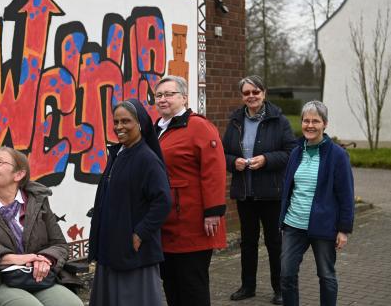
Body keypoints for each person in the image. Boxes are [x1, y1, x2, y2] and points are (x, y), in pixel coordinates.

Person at [0, 146, 83, 306]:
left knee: (73, 304)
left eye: (0, 163)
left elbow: (59, 244)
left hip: (36, 276)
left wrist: (45, 259)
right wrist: (9, 258)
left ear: (19, 174)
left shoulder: (38, 201)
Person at [88, 99, 171, 306]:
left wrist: (140, 233)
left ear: (140, 124)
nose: (119, 127)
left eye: (126, 121)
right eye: (116, 122)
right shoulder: (118, 154)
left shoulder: (147, 159)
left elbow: (163, 201)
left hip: (134, 251)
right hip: (111, 246)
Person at [222, 75, 296, 305]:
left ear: (264, 93)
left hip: (271, 192)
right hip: (245, 192)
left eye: (255, 91)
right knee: (248, 241)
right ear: (242, 97)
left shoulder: (279, 120)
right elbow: (223, 154)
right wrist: (233, 162)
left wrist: (266, 159)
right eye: (246, 93)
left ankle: (280, 289)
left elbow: (291, 152)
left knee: (275, 242)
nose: (251, 96)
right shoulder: (235, 120)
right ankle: (248, 286)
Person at [154, 76, 227, 306]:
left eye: (169, 94)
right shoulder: (157, 129)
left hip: (192, 224)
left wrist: (213, 211)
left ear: (184, 98)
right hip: (167, 224)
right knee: (172, 285)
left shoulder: (198, 126)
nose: (163, 99)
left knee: (192, 287)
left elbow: (214, 170)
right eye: (159, 95)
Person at [279, 101, 354, 306]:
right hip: (294, 225)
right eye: (306, 120)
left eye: (315, 121)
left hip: (324, 226)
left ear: (325, 124)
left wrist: (344, 229)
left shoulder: (338, 155)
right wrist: (283, 221)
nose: (309, 125)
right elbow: (289, 188)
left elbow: (346, 194)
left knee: (326, 276)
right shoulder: (296, 152)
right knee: (286, 275)